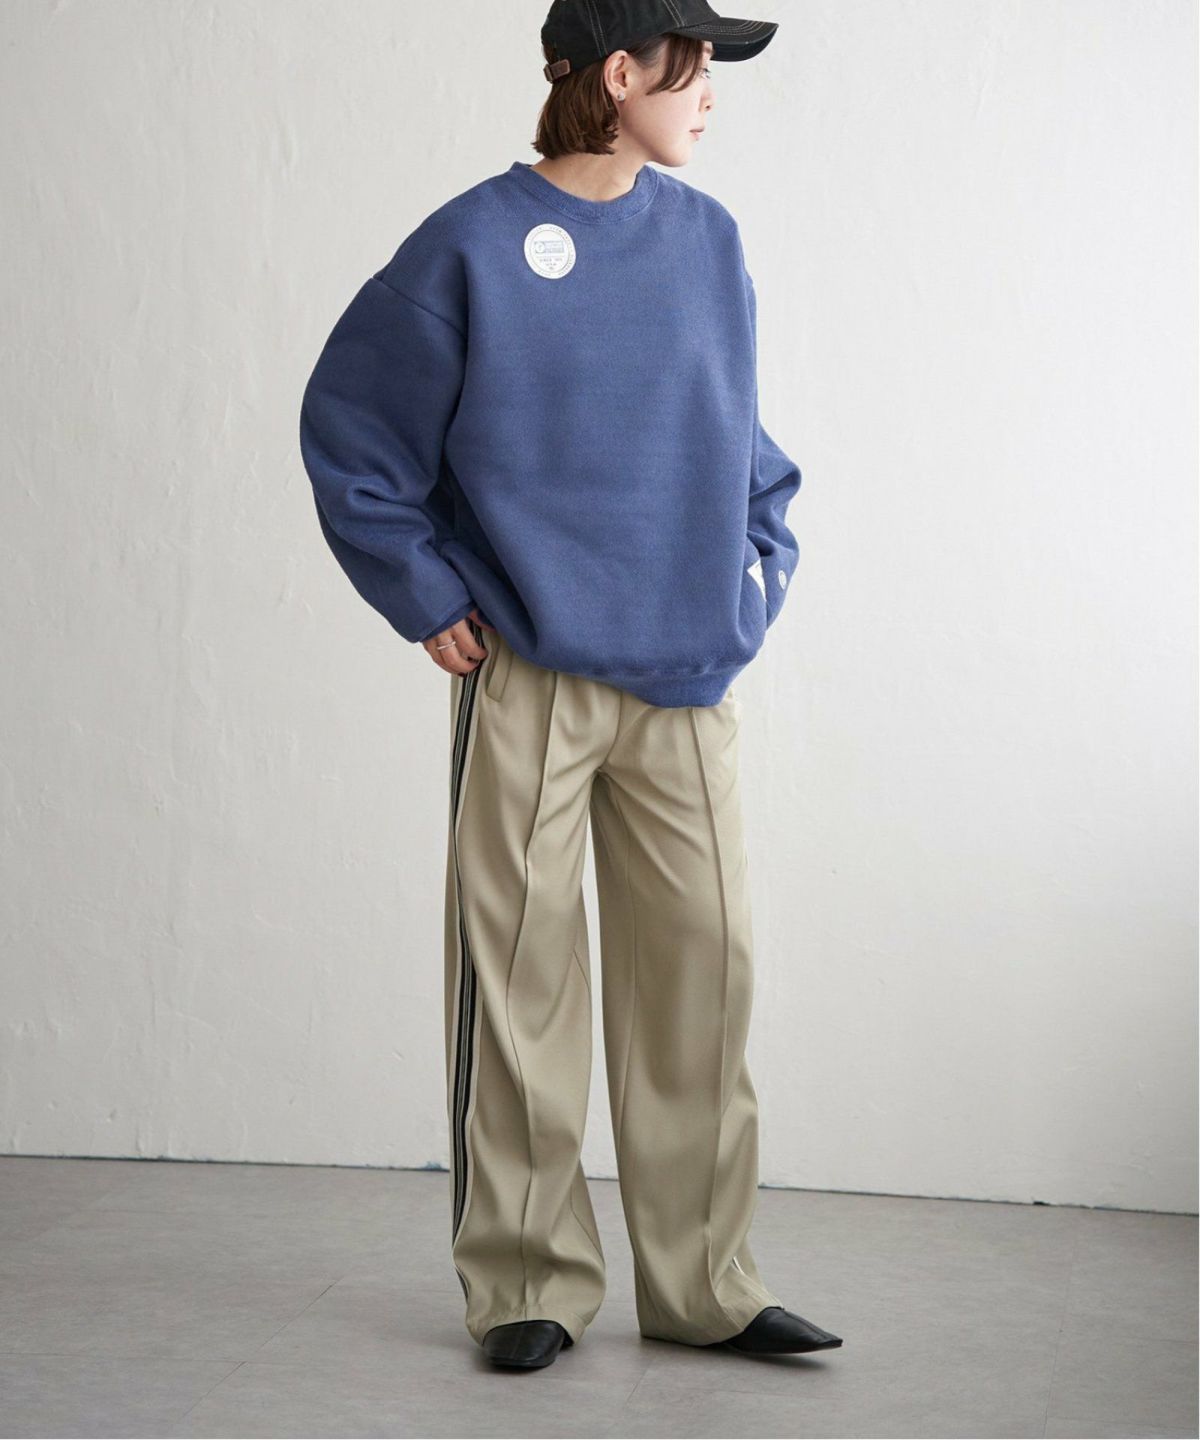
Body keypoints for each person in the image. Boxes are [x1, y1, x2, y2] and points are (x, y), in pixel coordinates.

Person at [299, 0, 844, 1373]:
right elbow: (353, 427)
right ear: (619, 72)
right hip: (531, 674)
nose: (710, 92)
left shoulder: (707, 240)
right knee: (519, 981)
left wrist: (754, 574)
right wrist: (425, 591)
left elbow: (738, 439)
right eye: (695, 64)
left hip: (685, 679)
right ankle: (529, 1281)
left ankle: (705, 1283)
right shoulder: (472, 245)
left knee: (704, 973)